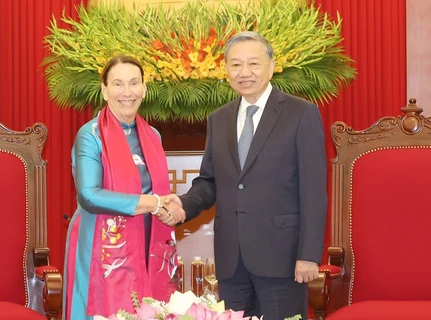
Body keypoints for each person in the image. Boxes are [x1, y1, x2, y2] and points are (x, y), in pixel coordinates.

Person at [163, 31, 327, 320]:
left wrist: (309, 255)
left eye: (253, 64)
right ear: (226, 69)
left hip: (283, 259)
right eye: (236, 65)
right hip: (232, 261)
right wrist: (182, 206)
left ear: (271, 66)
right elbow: (210, 181)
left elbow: (313, 190)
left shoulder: (300, 113)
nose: (244, 73)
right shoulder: (219, 118)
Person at [63, 55, 186, 320]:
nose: (127, 92)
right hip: (102, 243)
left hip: (148, 242)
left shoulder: (153, 135)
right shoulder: (91, 135)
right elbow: (88, 195)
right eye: (118, 84)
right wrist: (153, 203)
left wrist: (168, 207)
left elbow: (159, 192)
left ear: (144, 88)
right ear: (104, 90)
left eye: (134, 83)